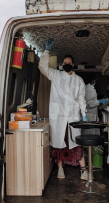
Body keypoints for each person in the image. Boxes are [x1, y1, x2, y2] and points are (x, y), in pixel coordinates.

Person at [38, 38, 89, 180]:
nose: (67, 64)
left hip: (73, 117)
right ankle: (60, 170)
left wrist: (84, 114)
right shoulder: (55, 75)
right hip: (59, 117)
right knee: (59, 143)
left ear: (73, 64)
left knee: (77, 144)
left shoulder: (78, 80)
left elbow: (81, 99)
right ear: (62, 64)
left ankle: (83, 171)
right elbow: (42, 67)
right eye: (65, 62)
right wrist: (47, 51)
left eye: (69, 63)